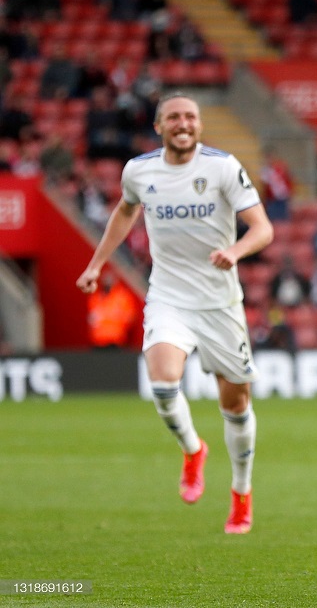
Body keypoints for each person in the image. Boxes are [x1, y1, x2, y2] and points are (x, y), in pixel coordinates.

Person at [75, 93, 274, 535]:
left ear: (199, 126)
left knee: (236, 404)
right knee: (163, 383)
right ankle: (192, 449)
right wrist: (96, 264)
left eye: (190, 117)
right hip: (168, 295)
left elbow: (263, 227)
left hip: (220, 302)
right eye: (173, 117)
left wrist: (235, 250)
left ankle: (241, 493)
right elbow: (124, 213)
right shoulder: (139, 171)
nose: (183, 123)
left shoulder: (222, 167)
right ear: (159, 126)